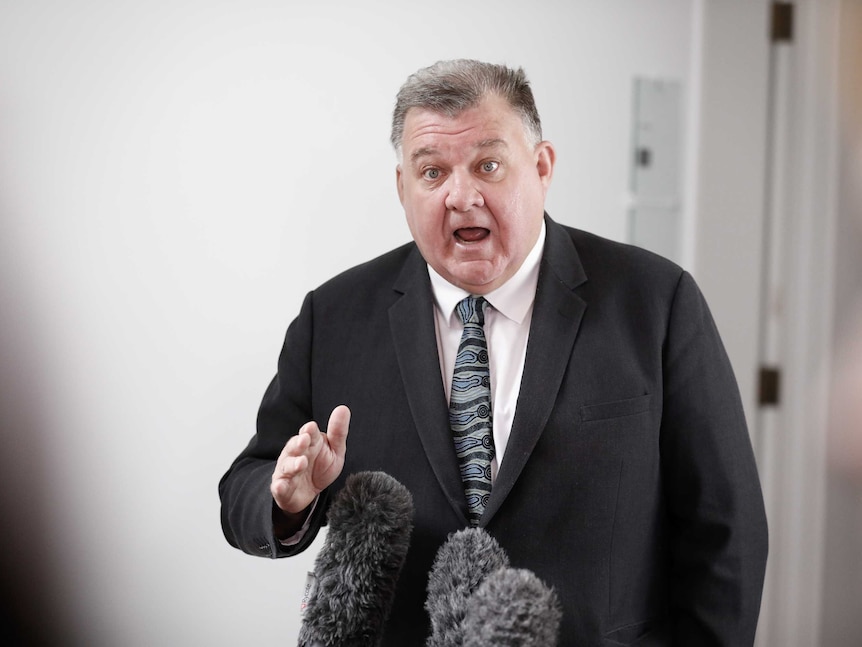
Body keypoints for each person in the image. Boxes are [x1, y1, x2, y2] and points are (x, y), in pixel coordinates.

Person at [219, 59, 768, 645]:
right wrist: (289, 501)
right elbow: (245, 485)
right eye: (432, 172)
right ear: (402, 187)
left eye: (488, 164)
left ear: (541, 167)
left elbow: (726, 532)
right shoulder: (332, 317)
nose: (462, 196)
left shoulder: (657, 303)